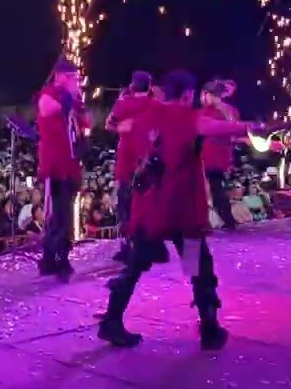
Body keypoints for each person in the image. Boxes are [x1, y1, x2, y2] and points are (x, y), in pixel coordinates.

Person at [97, 69, 257, 351]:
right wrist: (253, 127)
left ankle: (111, 321)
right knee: (197, 269)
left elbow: (121, 129)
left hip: (150, 210)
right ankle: (209, 329)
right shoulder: (188, 118)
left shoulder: (144, 116)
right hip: (182, 213)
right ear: (188, 94)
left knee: (135, 266)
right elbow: (219, 128)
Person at [36, 59, 92, 280]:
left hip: (71, 164)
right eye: (74, 78)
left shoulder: (75, 99)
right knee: (59, 214)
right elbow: (46, 109)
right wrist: (69, 97)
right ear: (62, 76)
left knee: (65, 213)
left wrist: (79, 106)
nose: (77, 82)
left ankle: (51, 258)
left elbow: (86, 124)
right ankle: (58, 258)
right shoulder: (49, 93)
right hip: (55, 165)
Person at [106, 70, 157, 262]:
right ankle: (148, 247)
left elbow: (109, 124)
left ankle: (128, 247)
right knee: (147, 205)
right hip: (148, 161)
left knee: (125, 206)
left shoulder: (123, 103)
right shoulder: (156, 106)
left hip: (126, 163)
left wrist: (122, 127)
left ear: (132, 85)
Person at [201, 79, 240, 231]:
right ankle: (227, 220)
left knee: (213, 189)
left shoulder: (208, 112)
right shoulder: (231, 111)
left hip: (209, 156)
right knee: (217, 188)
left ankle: (222, 221)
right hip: (223, 157)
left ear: (209, 94)